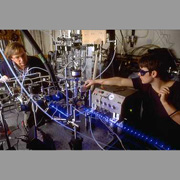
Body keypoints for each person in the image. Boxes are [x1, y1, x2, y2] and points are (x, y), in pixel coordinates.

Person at [84, 48, 180, 149]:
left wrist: (165, 102)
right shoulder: (145, 84)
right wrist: (95, 81)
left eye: (142, 72)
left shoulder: (177, 89)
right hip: (148, 137)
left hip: (168, 143)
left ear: (153, 74)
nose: (139, 74)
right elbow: (120, 81)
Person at [0, 42, 49, 129]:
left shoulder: (35, 61)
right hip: (18, 95)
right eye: (17, 57)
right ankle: (30, 127)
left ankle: (37, 125)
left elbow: (47, 77)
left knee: (39, 108)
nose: (22, 60)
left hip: (36, 92)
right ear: (11, 58)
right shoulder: (5, 66)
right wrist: (2, 79)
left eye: (23, 55)